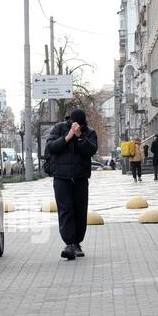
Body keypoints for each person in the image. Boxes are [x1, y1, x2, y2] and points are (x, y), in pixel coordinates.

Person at [43, 108, 98, 260]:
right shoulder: (59, 128)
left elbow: (91, 150)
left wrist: (80, 137)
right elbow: (51, 147)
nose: (77, 125)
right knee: (66, 210)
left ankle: (77, 242)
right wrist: (67, 137)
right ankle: (69, 244)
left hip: (80, 178)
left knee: (80, 211)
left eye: (80, 123)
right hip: (61, 178)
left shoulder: (89, 132)